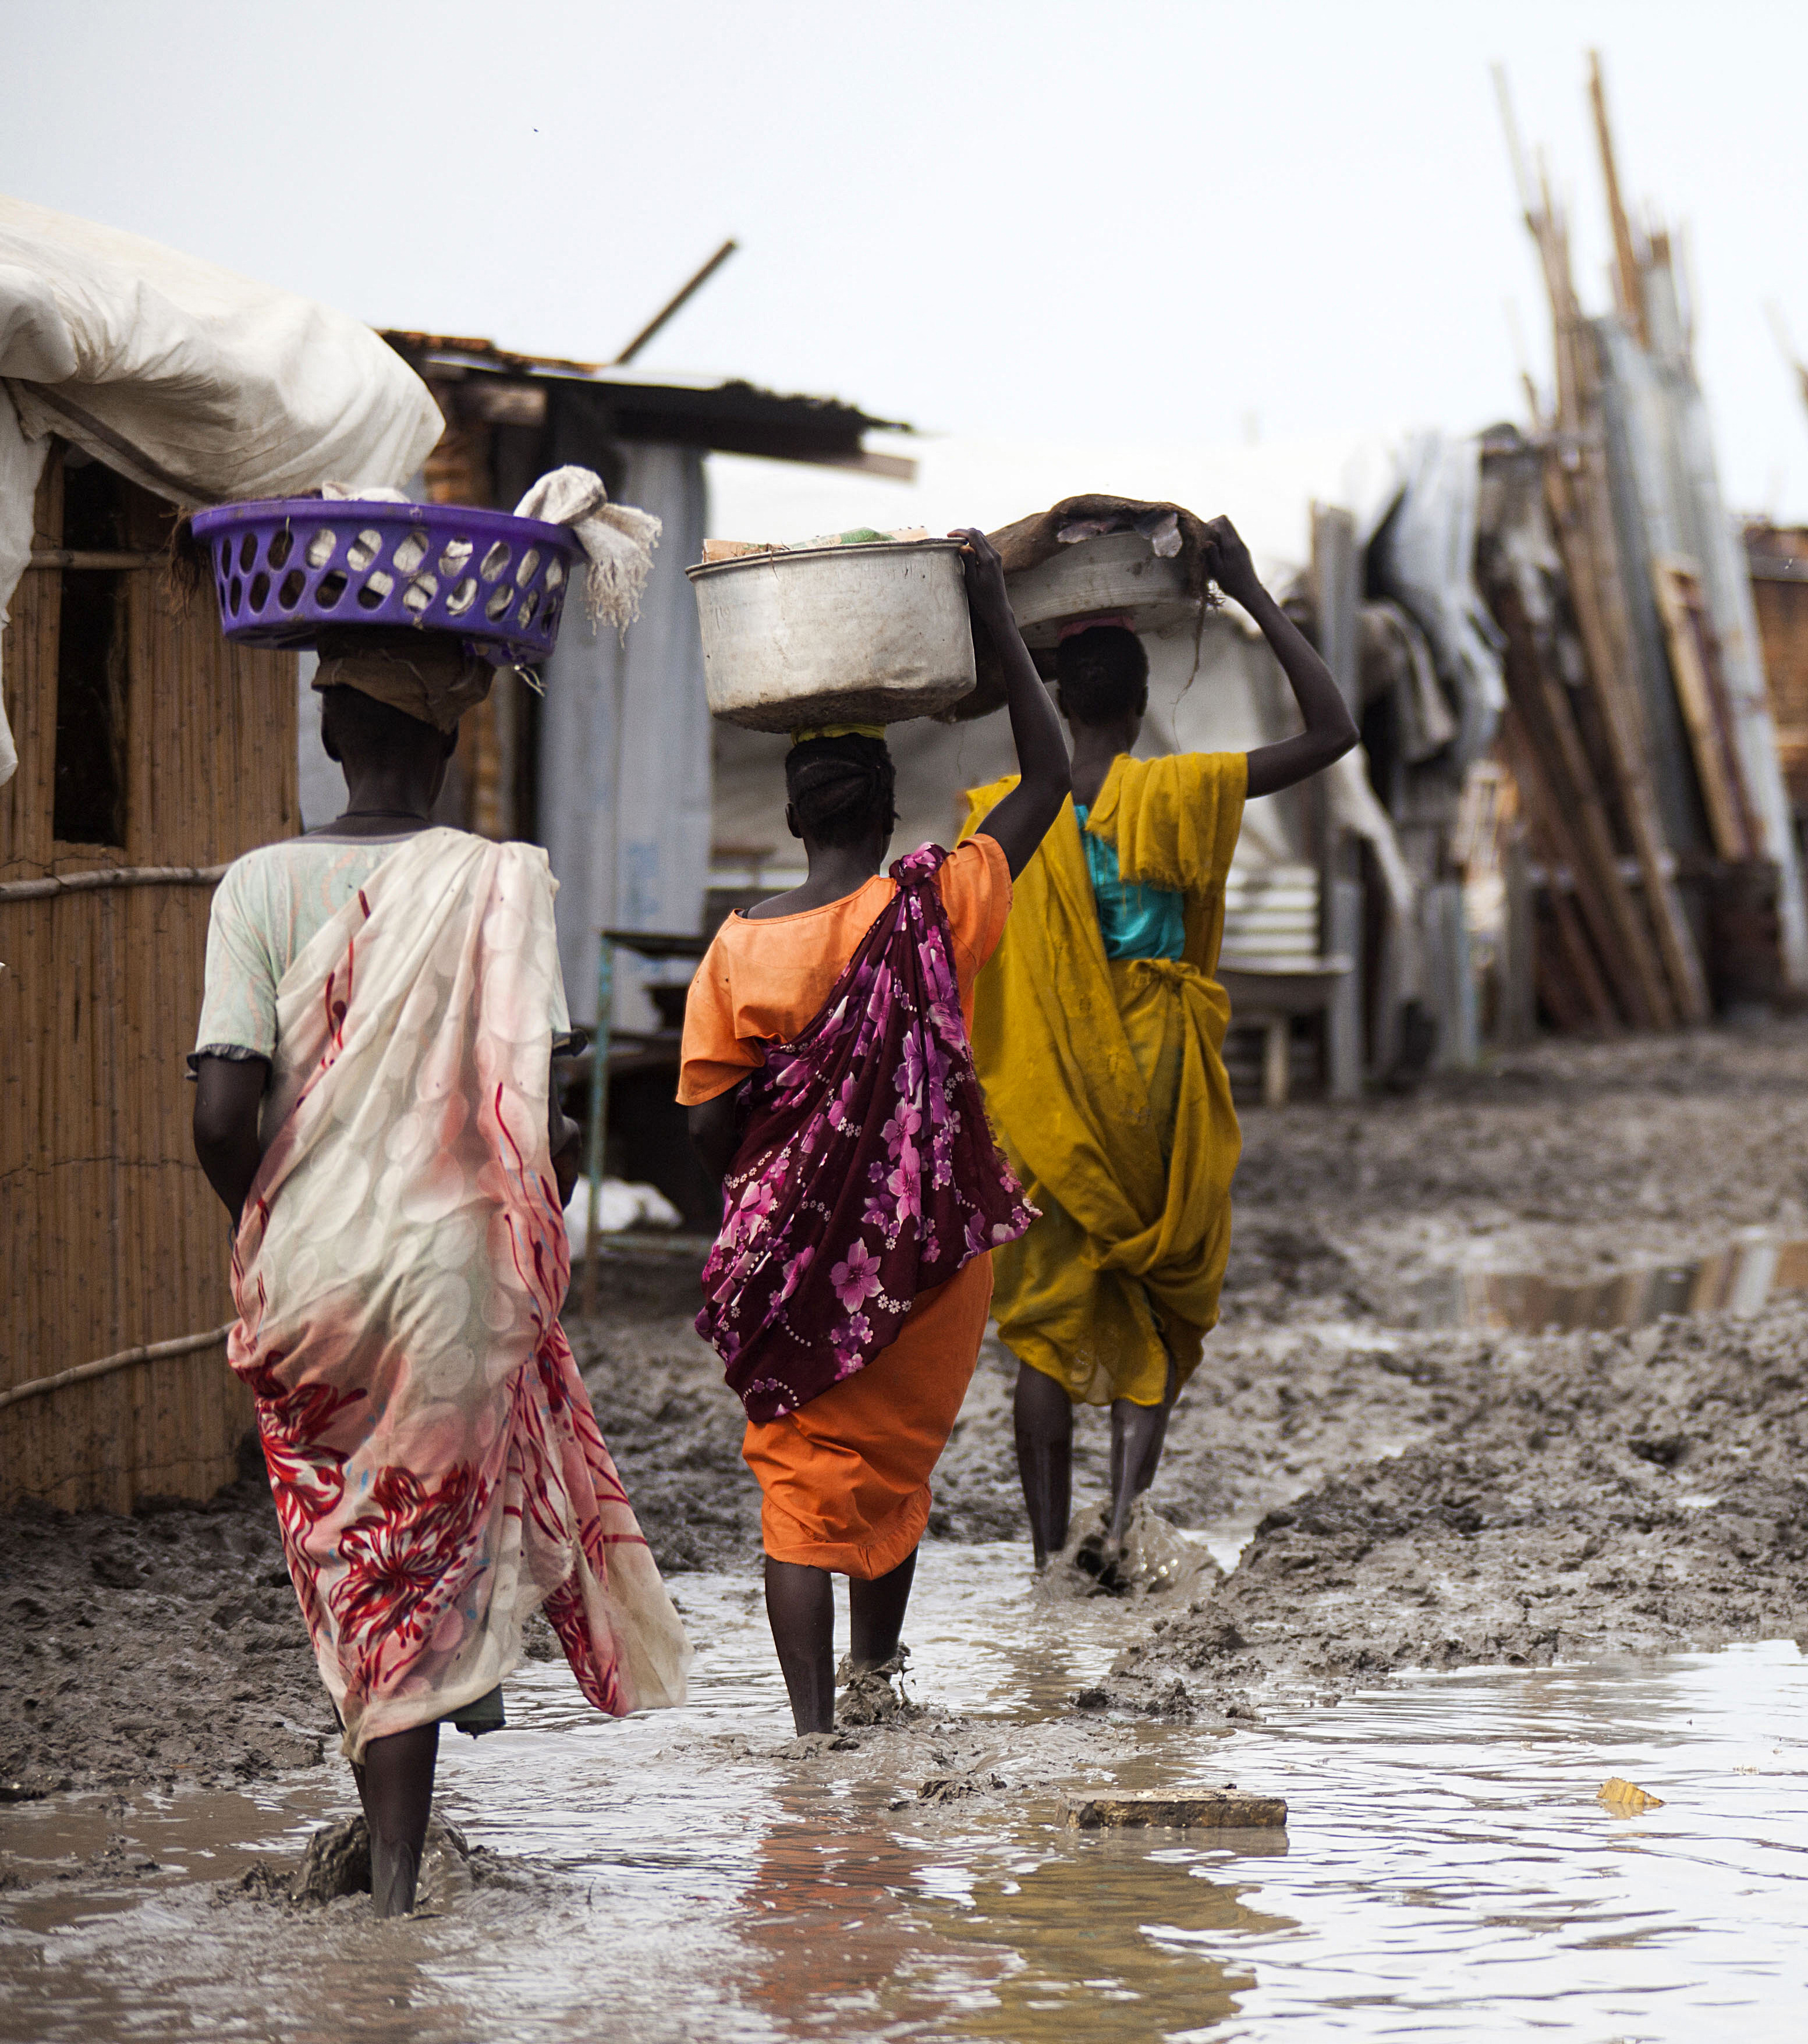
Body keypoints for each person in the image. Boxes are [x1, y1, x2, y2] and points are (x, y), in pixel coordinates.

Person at [190, 634, 691, 1915]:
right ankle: (404, 1874)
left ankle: (395, 1877)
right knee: (425, 1543)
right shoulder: (496, 884)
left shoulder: (255, 886)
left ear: (333, 737)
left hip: (313, 1277)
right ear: (451, 746)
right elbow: (549, 1122)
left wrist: (277, 1221)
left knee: (357, 1552)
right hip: (456, 1279)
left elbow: (220, 1112)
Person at [680, 530, 1074, 1740]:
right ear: (889, 806)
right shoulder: (935, 904)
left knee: (800, 1481)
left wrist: (780, 1193)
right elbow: (1049, 778)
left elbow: (705, 1125)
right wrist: (997, 620)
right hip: (928, 1250)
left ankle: (813, 1736)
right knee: (892, 1465)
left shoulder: (740, 949)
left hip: (797, 1256)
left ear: (793, 821)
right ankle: (879, 1675)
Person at [959, 515, 1356, 1580]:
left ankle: (1050, 1559)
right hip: (1162, 1088)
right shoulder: (1179, 791)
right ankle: (1125, 1526)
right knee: (1155, 1297)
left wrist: (993, 609)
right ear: (1137, 707)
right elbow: (1331, 732)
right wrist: (1251, 594)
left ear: (1053, 704)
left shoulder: (1000, 817)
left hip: (1038, 1093)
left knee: (1041, 1322)